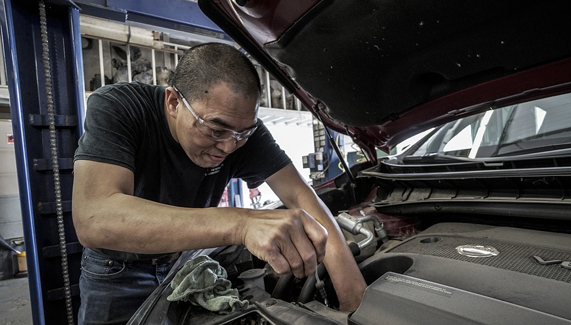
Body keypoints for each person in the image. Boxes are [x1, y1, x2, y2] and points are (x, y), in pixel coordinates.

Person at [72, 42, 367, 325]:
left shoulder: (240, 133)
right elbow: (95, 219)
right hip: (116, 272)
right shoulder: (120, 107)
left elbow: (302, 197)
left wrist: (354, 301)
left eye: (243, 134)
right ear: (173, 102)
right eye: (215, 131)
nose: (228, 147)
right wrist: (242, 224)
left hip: (185, 264)